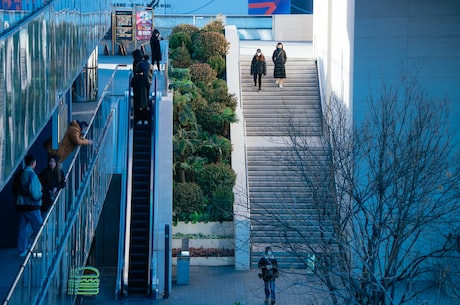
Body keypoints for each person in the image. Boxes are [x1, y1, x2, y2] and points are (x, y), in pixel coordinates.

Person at [16, 154, 43, 257]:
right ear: (33, 163)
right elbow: (35, 193)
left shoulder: (22, 173)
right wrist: (41, 194)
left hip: (23, 205)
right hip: (32, 206)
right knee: (40, 228)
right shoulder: (32, 175)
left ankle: (22, 249)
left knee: (23, 228)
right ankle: (38, 251)